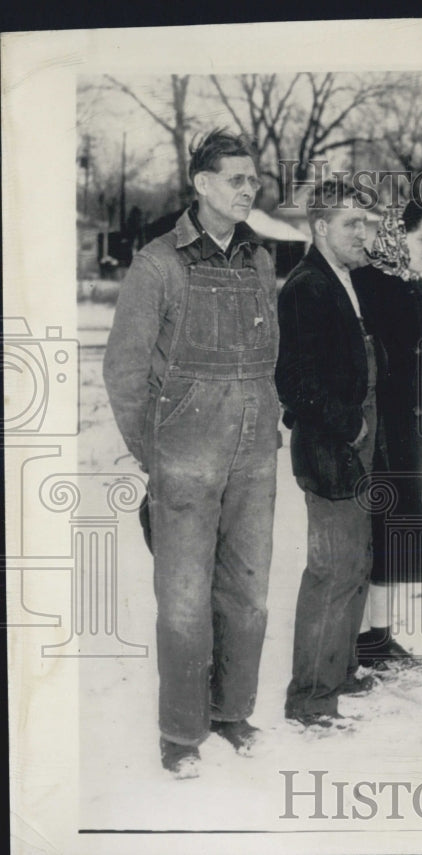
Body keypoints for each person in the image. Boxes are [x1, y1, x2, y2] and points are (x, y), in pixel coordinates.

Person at [103, 129, 279, 778]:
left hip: (255, 457)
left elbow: (272, 357)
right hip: (184, 459)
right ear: (202, 185)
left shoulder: (259, 260)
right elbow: (124, 371)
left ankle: (232, 713)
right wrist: (158, 451)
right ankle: (180, 734)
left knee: (249, 596)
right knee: (182, 601)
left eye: (252, 177)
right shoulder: (159, 263)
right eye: (235, 177)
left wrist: (265, 424)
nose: (248, 187)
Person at [276, 179, 383, 728]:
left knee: (355, 564)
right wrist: (351, 425)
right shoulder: (308, 286)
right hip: (331, 448)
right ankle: (311, 699)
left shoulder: (345, 278)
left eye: (366, 223)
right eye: (351, 224)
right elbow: (294, 380)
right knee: (331, 570)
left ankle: (338, 671)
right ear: (321, 228)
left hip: (354, 447)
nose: (363, 234)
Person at [351, 201, 422, 666]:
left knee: (397, 534)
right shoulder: (365, 284)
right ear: (394, 236)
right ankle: (362, 637)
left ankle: (381, 633)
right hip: (377, 429)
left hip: (408, 426)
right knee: (373, 531)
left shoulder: (413, 285)